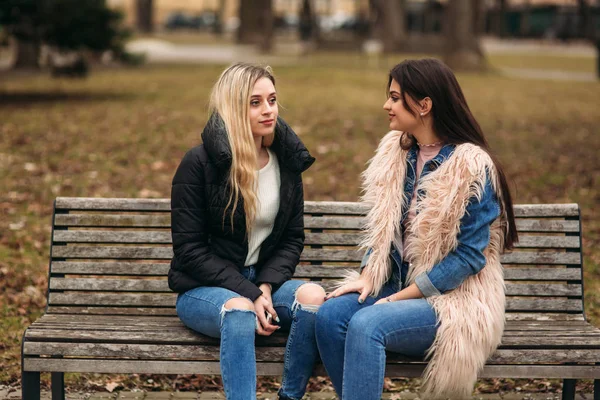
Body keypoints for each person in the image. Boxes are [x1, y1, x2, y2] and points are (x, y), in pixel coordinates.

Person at [315, 58, 518, 400]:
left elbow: (468, 258)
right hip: (392, 285)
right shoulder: (396, 152)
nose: (386, 105)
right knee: (330, 316)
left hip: (450, 301)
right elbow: (385, 227)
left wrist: (400, 298)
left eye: (395, 97)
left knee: (367, 325)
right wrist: (367, 273)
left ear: (424, 105)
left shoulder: (471, 166)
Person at [168, 63, 324, 400]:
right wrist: (249, 293)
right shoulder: (199, 163)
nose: (268, 110)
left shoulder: (287, 162)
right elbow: (189, 250)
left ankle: (290, 395)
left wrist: (265, 286)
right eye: (255, 102)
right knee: (238, 310)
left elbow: (292, 237)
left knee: (313, 298)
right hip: (205, 289)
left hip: (261, 282)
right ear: (234, 107)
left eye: (272, 99)